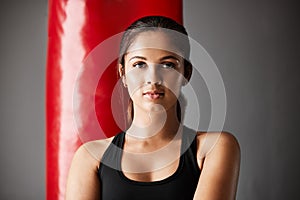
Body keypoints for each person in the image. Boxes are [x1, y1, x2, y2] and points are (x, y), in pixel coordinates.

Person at [66, 16, 240, 200]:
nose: (153, 78)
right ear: (122, 73)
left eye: (168, 64)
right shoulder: (90, 157)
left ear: (186, 73)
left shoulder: (213, 148)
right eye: (139, 64)